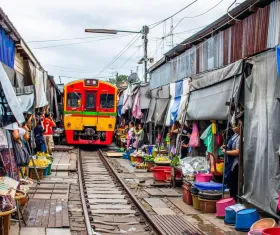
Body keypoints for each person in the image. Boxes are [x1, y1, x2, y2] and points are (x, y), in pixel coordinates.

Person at [221, 120, 241, 202]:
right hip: (230, 162)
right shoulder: (235, 135)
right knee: (230, 183)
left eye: (235, 126)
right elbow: (231, 145)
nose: (233, 128)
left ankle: (234, 201)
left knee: (234, 184)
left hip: (235, 164)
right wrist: (226, 146)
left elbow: (237, 151)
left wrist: (226, 152)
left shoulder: (240, 137)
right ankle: (231, 200)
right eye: (232, 126)